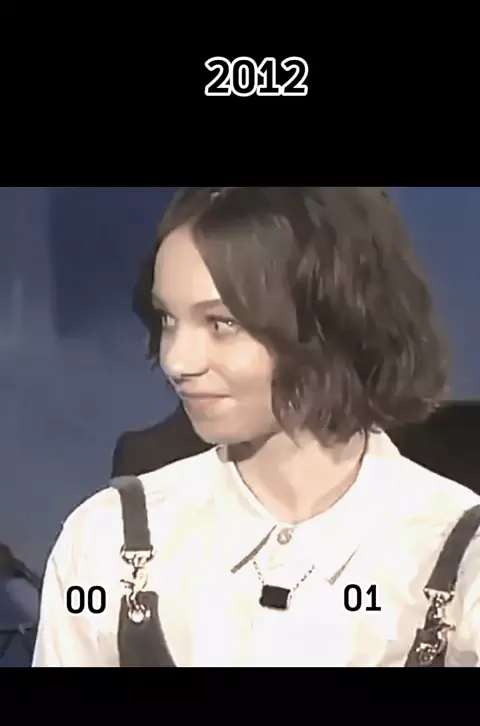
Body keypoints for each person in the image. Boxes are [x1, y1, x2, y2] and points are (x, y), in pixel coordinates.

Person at [32, 187, 480, 667]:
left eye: (221, 324)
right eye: (168, 319)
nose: (176, 360)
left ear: (333, 321)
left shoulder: (460, 554)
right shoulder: (106, 541)